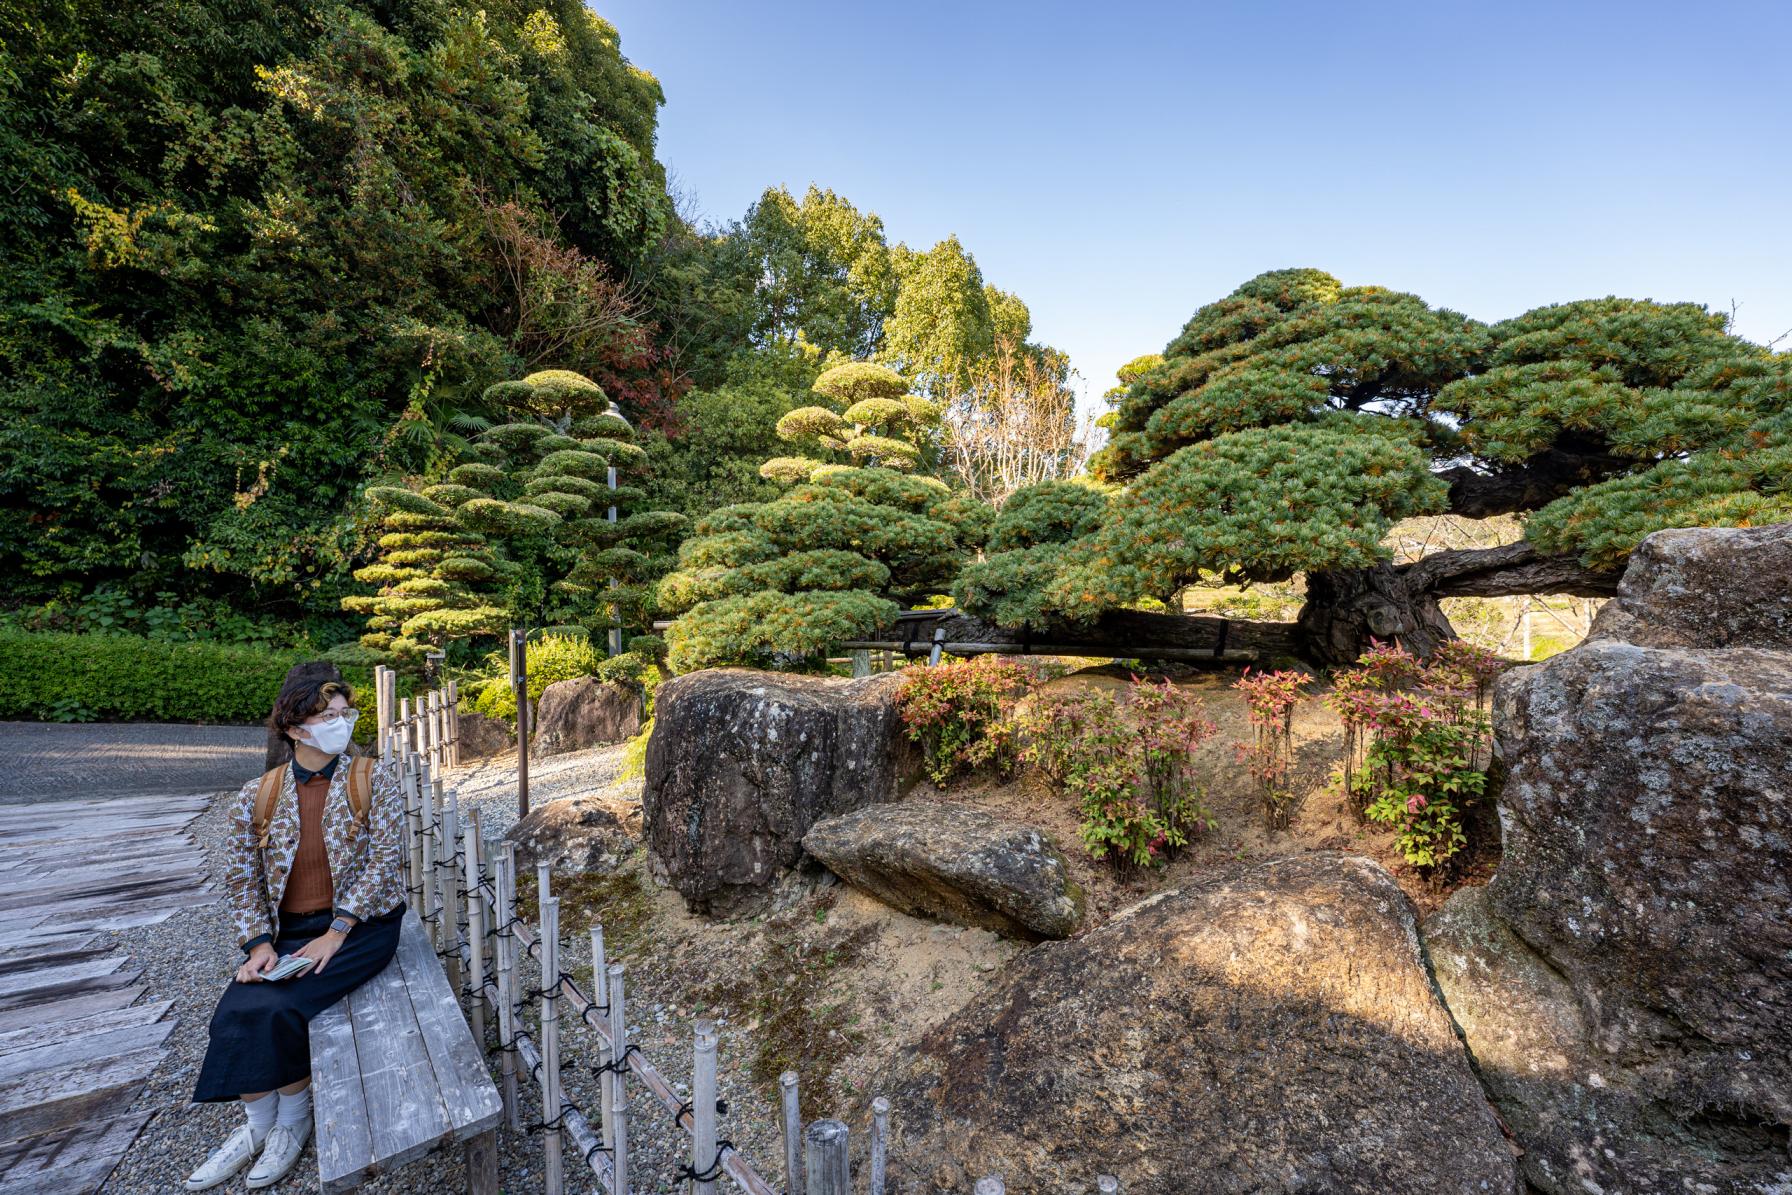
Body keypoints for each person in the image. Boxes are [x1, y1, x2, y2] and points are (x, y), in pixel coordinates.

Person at [186, 667, 408, 1190]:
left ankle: (292, 1121)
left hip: (363, 927)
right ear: (295, 728)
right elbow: (241, 877)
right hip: (287, 929)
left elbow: (386, 861)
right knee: (237, 1007)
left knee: (282, 1004)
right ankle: (258, 1127)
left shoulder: (372, 779)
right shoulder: (258, 794)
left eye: (344, 714)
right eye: (327, 716)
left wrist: (338, 930)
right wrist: (259, 944)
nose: (341, 724)